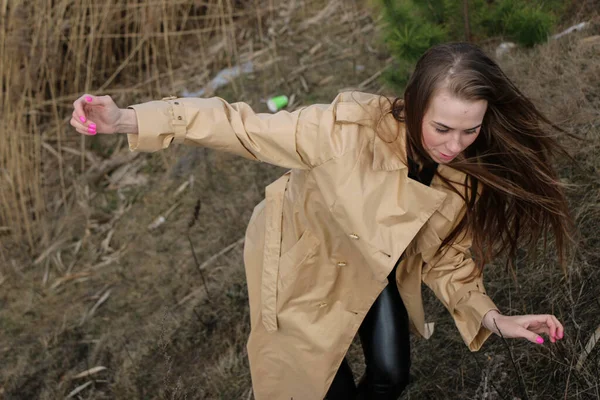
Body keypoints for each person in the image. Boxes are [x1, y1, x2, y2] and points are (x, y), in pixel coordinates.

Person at [70, 42, 572, 400]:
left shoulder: (463, 172)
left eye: (471, 129)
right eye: (442, 127)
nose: (455, 143)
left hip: (372, 267)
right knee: (308, 388)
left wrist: (493, 316)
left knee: (392, 375)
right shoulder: (342, 131)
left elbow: (444, 257)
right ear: (415, 103)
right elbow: (238, 124)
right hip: (302, 262)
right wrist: (129, 119)